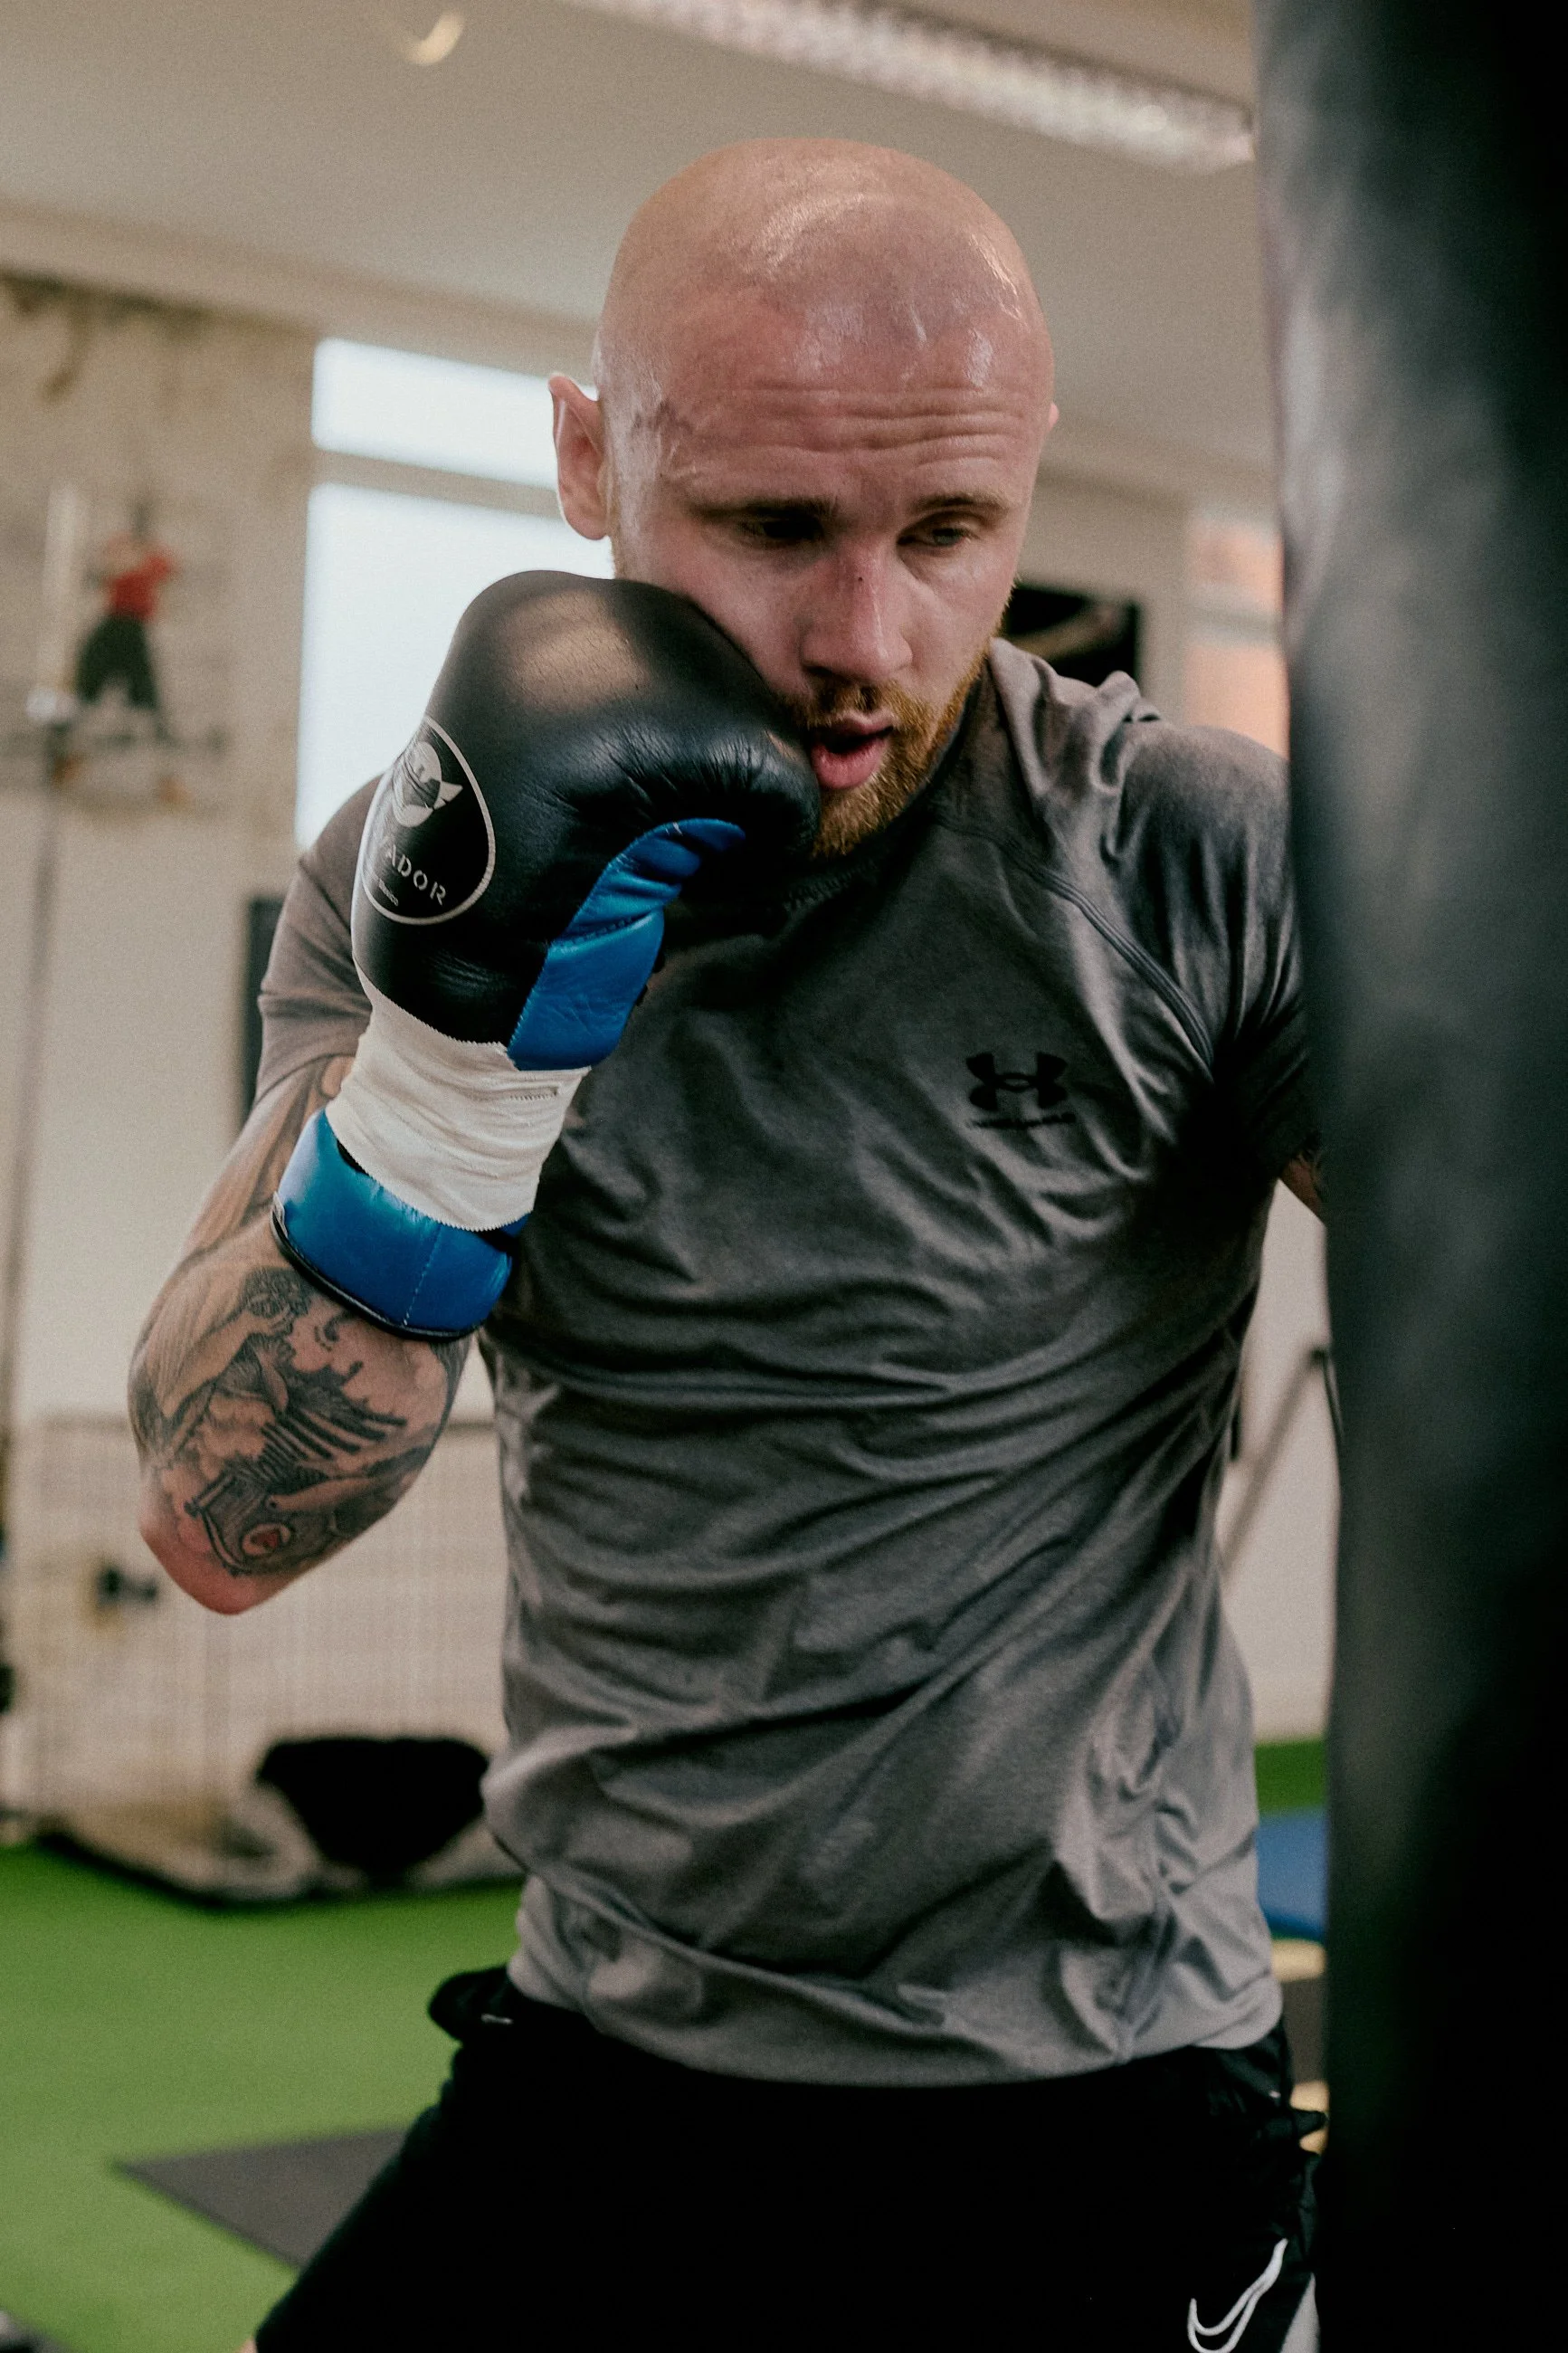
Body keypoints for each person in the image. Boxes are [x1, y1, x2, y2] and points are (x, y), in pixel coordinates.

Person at [131, 139, 1324, 2349]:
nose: (862, 641)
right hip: (612, 2045)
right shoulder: (404, 873)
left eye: (948, 534)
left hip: (1090, 2083)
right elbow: (218, 1521)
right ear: (590, 455)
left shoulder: (1177, 858)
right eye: (775, 527)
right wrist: (456, 1075)